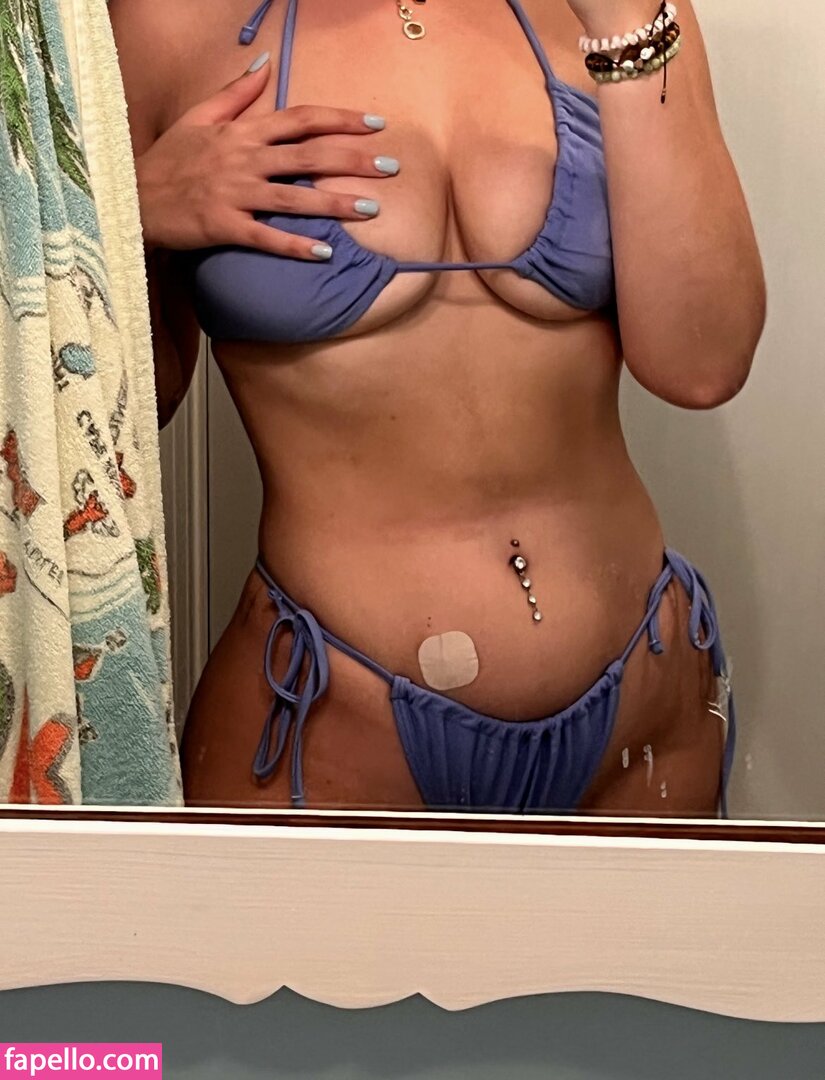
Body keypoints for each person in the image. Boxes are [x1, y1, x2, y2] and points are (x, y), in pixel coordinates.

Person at [109, 0, 765, 815]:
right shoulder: (163, 24)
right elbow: (116, 425)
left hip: (643, 711)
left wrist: (631, 21)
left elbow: (702, 366)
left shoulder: (620, 16)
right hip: (332, 722)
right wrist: (128, 217)